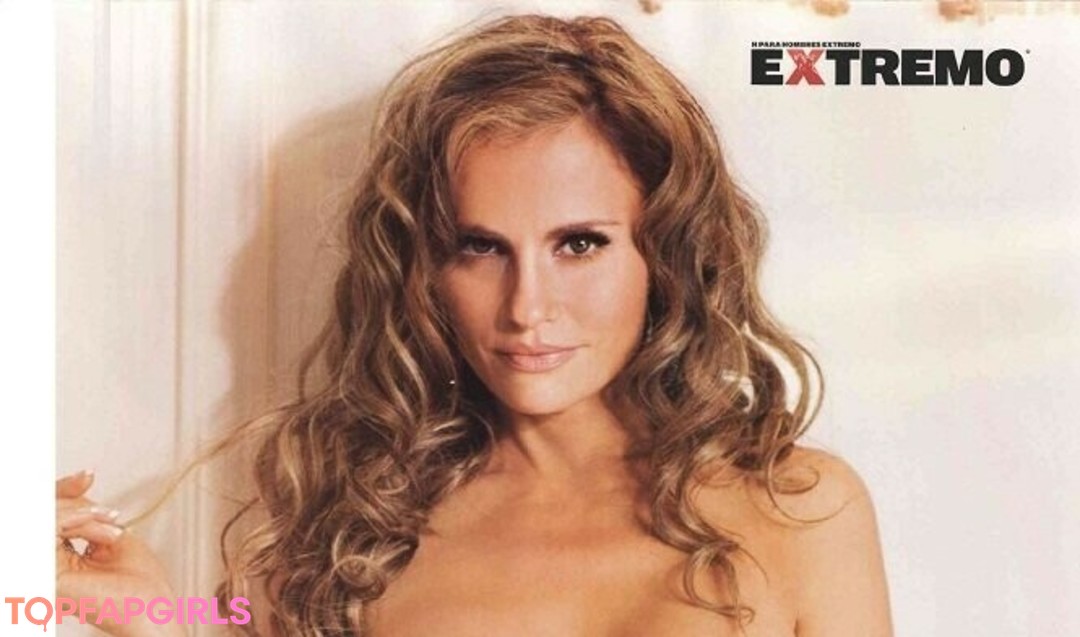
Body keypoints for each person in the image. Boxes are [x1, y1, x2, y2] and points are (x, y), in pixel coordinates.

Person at [56, 13, 892, 637]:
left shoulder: (800, 511)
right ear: (424, 266)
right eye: (479, 247)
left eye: (579, 244)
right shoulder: (353, 536)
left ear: (663, 251)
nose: (527, 306)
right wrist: (153, 620)